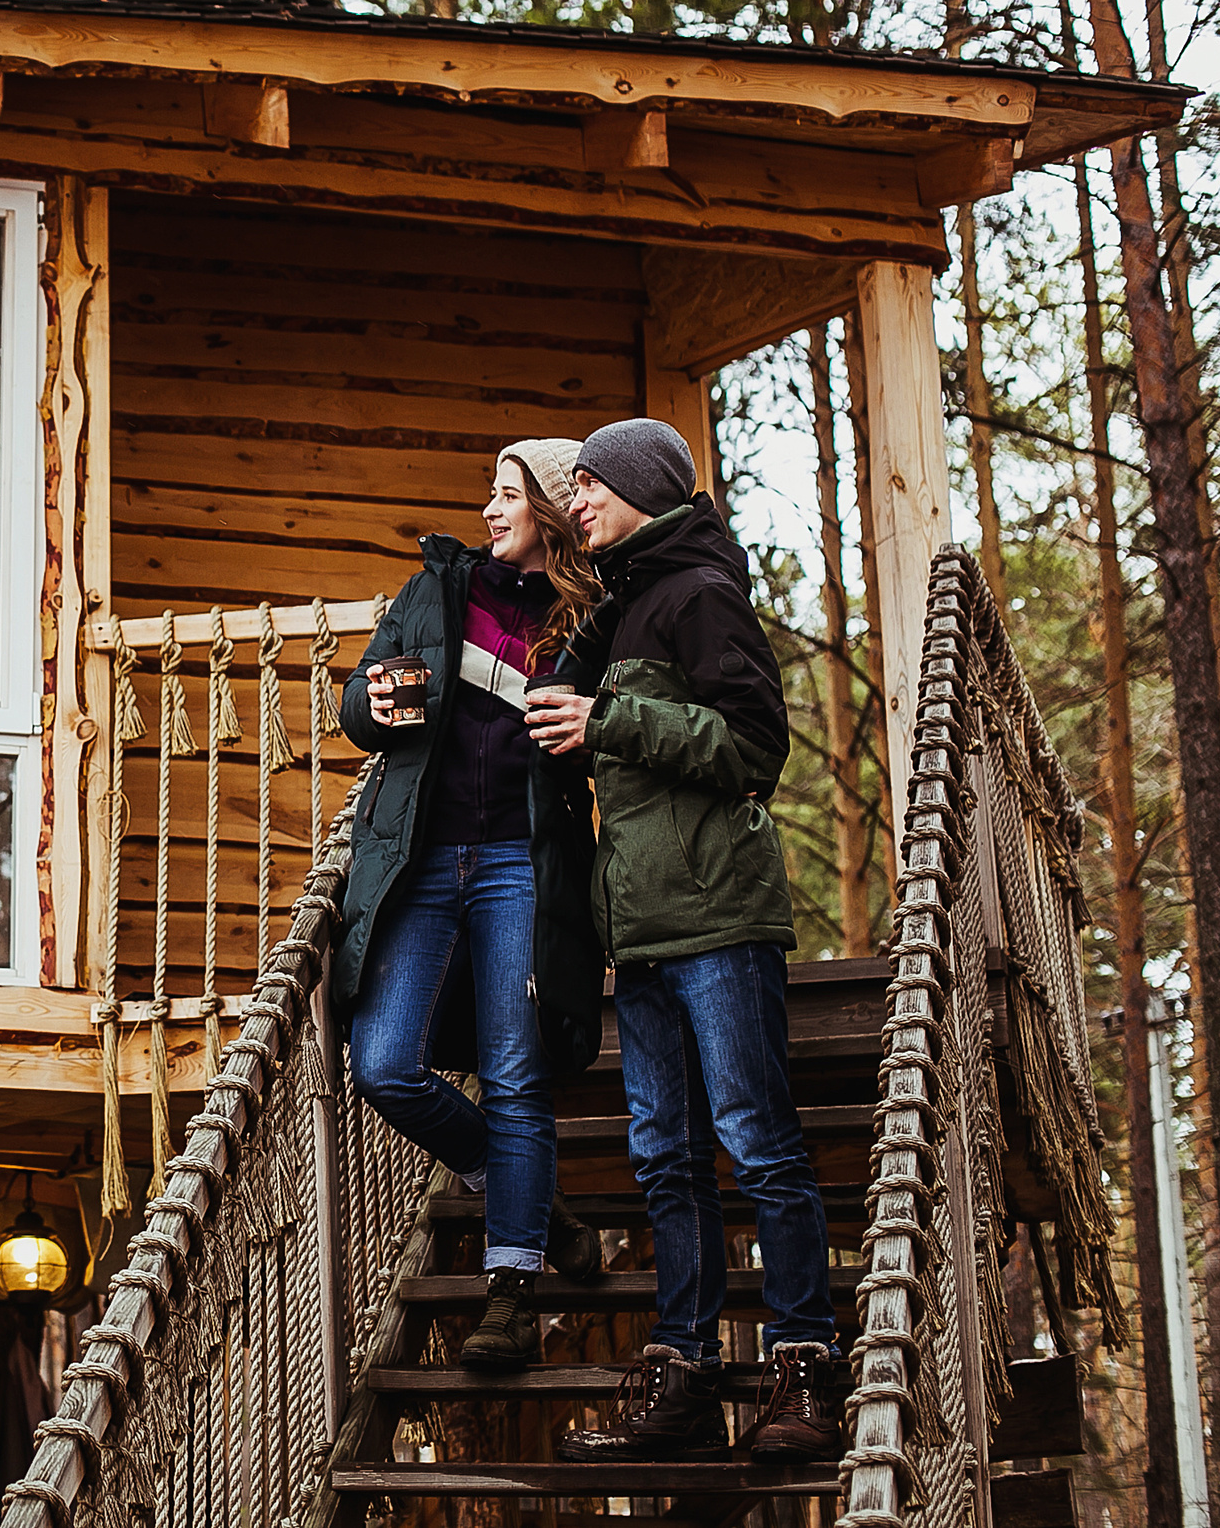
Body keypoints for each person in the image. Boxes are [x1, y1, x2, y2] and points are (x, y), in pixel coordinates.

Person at [525, 417, 842, 1462]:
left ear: (645, 488)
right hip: (644, 931)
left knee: (755, 1138)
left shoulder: (701, 593)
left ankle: (804, 1361)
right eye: (571, 487)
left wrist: (609, 724)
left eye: (593, 484)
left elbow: (756, 747)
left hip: (717, 919)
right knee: (664, 1159)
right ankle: (684, 1376)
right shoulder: (618, 605)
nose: (577, 498)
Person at [332, 440, 610, 1373]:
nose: (489, 511)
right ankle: (526, 1195)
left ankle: (513, 1291)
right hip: (419, 858)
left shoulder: (590, 620)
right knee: (381, 1063)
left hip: (520, 865)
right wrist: (376, 704)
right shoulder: (436, 592)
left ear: (553, 513)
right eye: (489, 494)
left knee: (515, 1072)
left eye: (508, 495)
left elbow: (608, 739)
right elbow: (357, 708)